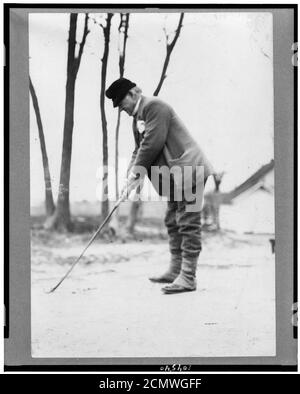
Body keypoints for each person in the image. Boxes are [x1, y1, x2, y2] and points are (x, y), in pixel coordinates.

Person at [105, 78, 215, 294]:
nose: (121, 109)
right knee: (172, 220)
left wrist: (137, 173)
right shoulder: (139, 115)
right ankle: (176, 270)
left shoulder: (154, 106)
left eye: (121, 103)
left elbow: (152, 144)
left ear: (132, 94)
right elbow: (139, 149)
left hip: (189, 171)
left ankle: (188, 277)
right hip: (176, 176)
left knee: (188, 221)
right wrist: (129, 180)